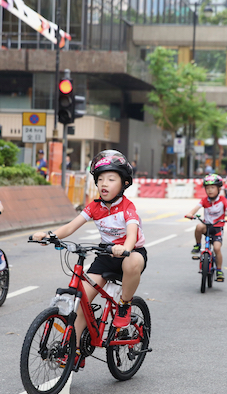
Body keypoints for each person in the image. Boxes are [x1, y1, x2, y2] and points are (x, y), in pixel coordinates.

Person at [31, 150, 146, 371]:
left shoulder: (127, 207)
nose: (104, 183)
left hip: (130, 254)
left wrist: (125, 248)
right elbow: (70, 226)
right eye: (100, 179)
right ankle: (75, 350)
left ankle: (124, 305)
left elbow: (132, 233)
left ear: (124, 183)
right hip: (105, 257)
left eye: (111, 179)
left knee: (131, 263)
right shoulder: (94, 207)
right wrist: (49, 235)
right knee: (81, 299)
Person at [185, 174, 227, 282]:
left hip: (217, 228)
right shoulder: (204, 200)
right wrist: (190, 214)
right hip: (206, 227)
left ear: (219, 188)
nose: (210, 190)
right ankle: (198, 245)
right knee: (198, 226)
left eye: (212, 187)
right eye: (207, 188)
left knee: (217, 248)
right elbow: (195, 208)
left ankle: (219, 270)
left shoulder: (223, 200)